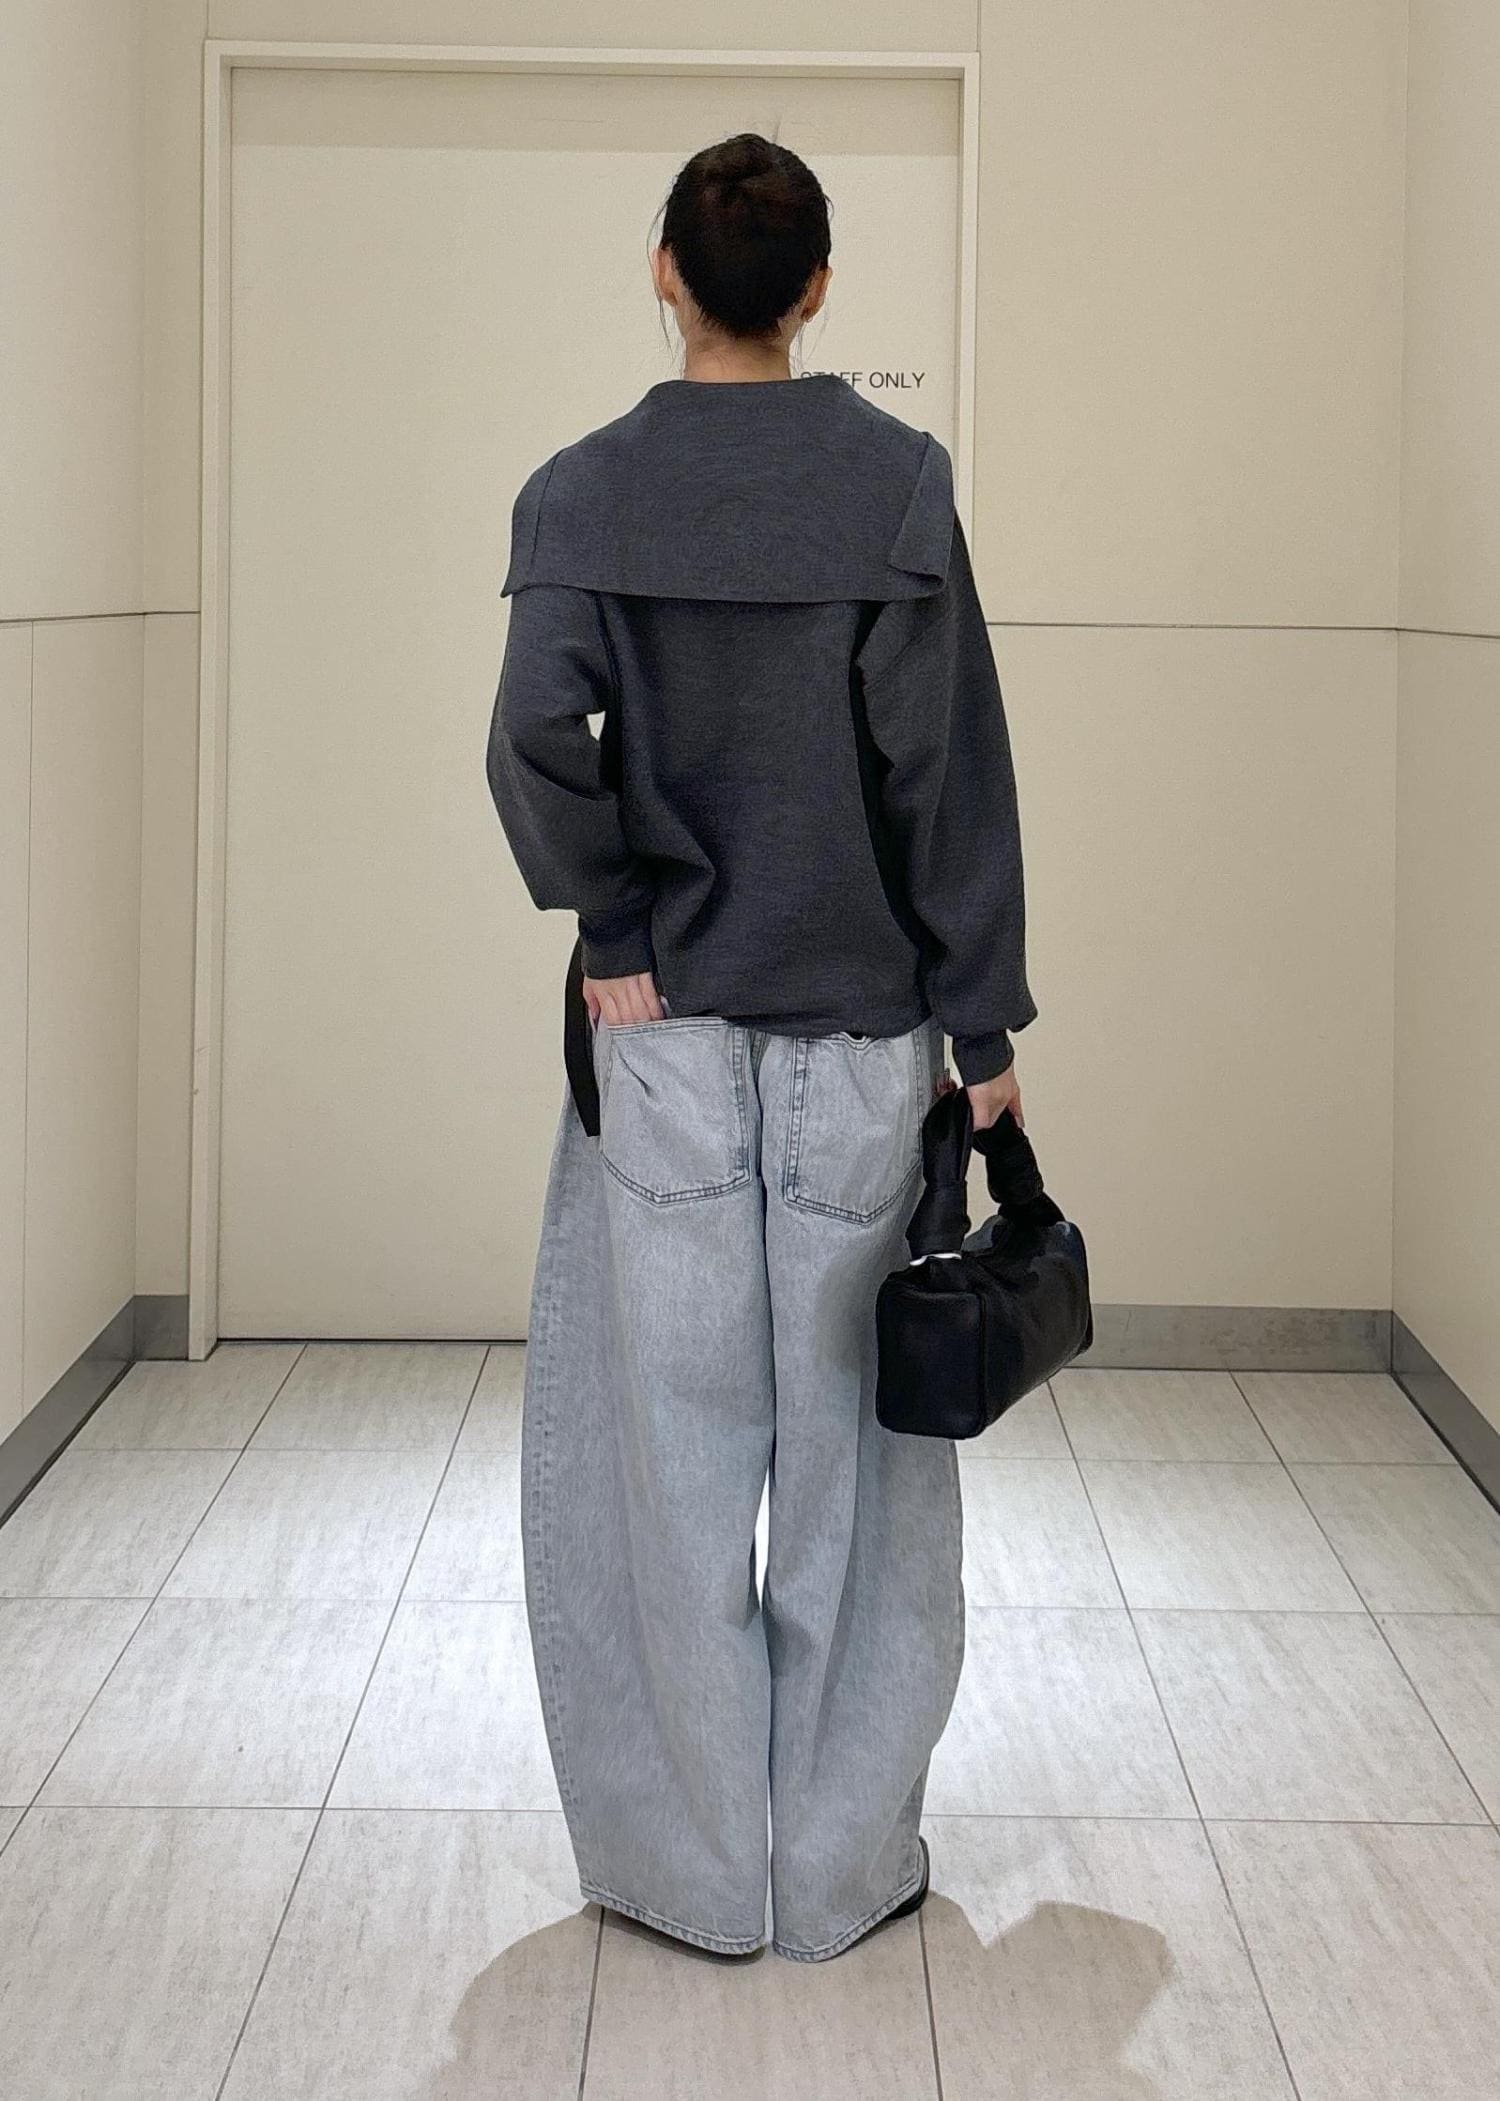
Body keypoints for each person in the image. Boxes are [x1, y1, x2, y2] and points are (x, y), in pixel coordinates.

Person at [485, 132, 1035, 1963]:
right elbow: (945, 774)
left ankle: (695, 1875)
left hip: (660, 1042)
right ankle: (841, 1867)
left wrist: (617, 929)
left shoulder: (580, 495)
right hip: (864, 1038)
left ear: (665, 272)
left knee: (663, 1456)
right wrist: (980, 1020)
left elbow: (530, 739)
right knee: (857, 1477)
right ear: (815, 291)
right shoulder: (895, 486)